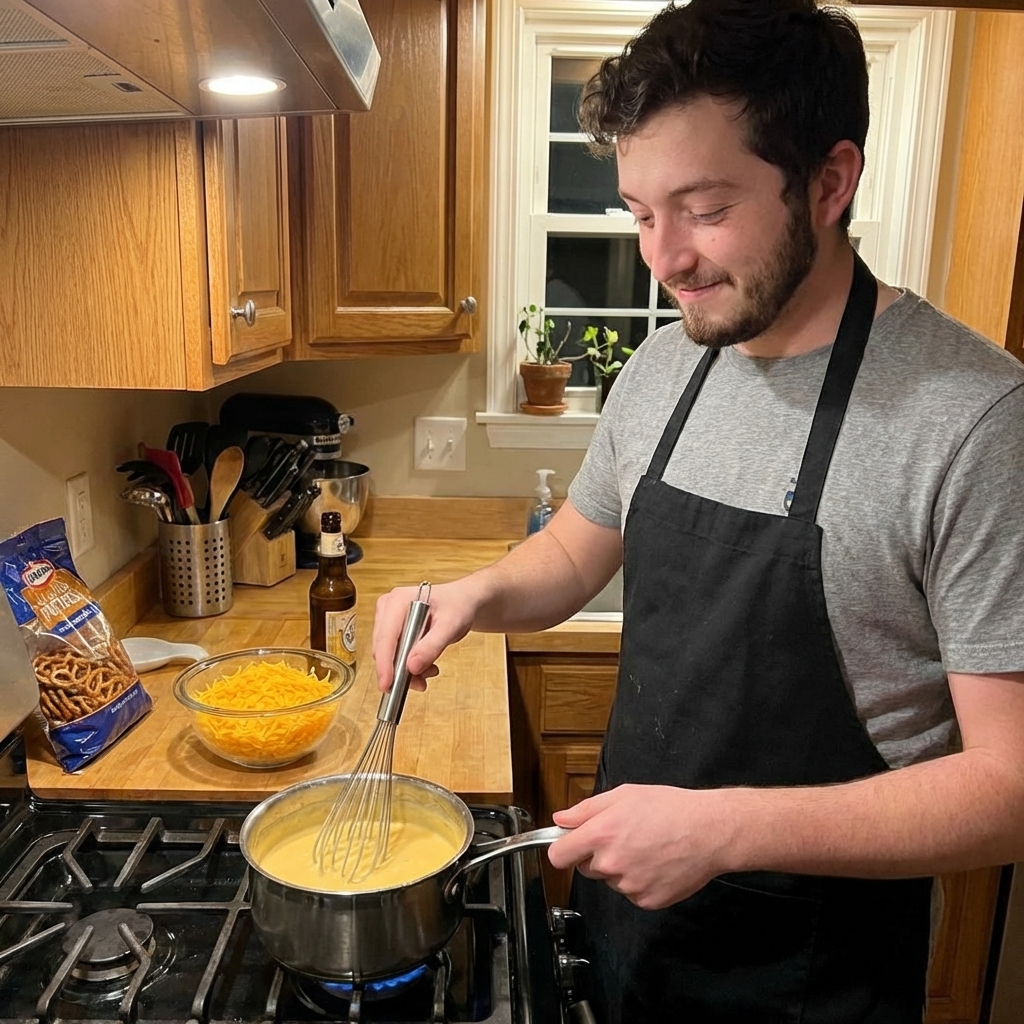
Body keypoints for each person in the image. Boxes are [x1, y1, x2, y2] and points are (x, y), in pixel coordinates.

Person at [372, 0, 1024, 1019]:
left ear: (828, 181)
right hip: (630, 930)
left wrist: (722, 831)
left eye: (705, 209)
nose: (662, 257)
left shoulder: (973, 418)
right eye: (638, 210)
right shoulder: (668, 361)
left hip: (812, 972)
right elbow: (577, 555)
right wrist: (468, 595)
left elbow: (1009, 787)